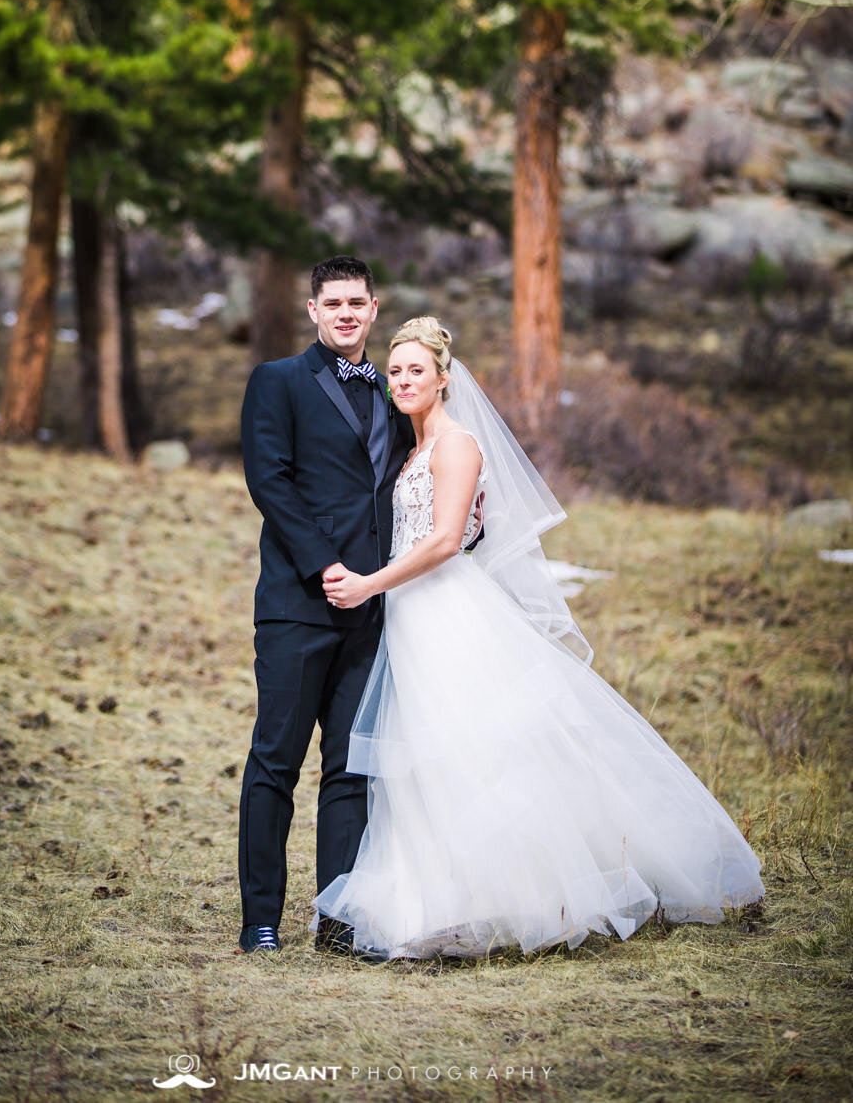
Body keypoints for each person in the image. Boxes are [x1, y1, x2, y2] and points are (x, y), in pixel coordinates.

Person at [315, 317, 765, 959]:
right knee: (425, 759)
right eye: (396, 371)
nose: (405, 380)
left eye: (418, 369)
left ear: (444, 378)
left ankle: (523, 895)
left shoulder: (457, 444)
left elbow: (444, 542)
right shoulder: (414, 448)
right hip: (412, 619)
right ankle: (437, 901)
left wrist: (368, 585)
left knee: (473, 751)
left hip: (449, 613)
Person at [237, 256, 413, 954]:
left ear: (375, 310)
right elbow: (269, 481)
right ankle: (260, 922)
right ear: (313, 311)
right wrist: (326, 565)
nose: (345, 313)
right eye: (332, 302)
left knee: (350, 769)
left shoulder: (395, 393)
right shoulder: (277, 381)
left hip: (372, 611)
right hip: (298, 603)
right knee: (275, 761)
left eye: (357, 302)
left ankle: (338, 921)